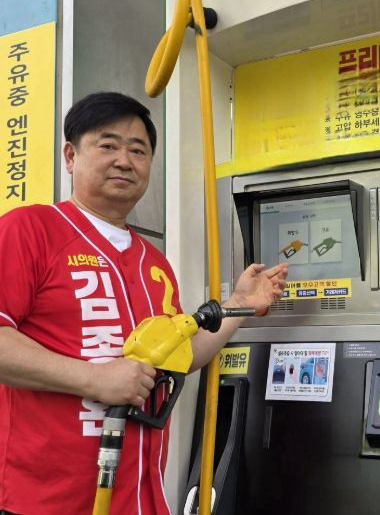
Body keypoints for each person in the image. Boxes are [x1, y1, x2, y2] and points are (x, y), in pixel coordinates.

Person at [0, 92, 288, 515]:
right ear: (71, 156)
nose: (124, 160)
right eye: (108, 145)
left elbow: (180, 356)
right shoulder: (30, 229)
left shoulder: (154, 263)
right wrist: (92, 379)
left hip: (139, 500)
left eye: (138, 151)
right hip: (44, 503)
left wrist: (239, 304)